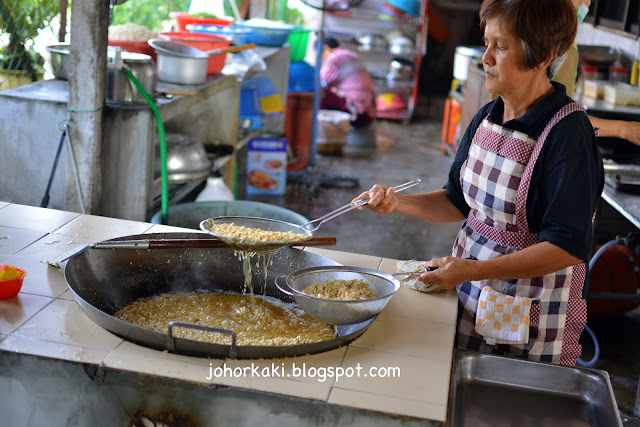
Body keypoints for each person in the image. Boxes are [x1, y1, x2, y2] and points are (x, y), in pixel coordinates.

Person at [354, 0, 604, 366]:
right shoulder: (488, 117)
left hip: (530, 311)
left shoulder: (567, 133)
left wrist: (474, 270)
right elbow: (458, 202)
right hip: (471, 291)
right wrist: (397, 203)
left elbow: (566, 246)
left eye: (500, 47)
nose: (485, 58)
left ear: (541, 56)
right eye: (486, 43)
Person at [553, 0, 640, 146]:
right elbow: (560, 122)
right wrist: (625, 130)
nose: (588, 3)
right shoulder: (562, 48)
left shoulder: (549, 37)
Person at [319, 37, 376, 128]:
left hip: (355, 109)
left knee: (320, 93)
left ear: (325, 48)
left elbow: (323, 81)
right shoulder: (351, 54)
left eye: (320, 55)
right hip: (368, 109)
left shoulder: (333, 56)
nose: (322, 59)